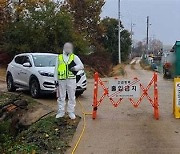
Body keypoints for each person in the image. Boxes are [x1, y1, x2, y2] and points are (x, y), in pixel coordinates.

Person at [54, 42, 84, 119]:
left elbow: (81, 66)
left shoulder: (74, 57)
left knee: (71, 96)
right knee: (61, 96)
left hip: (71, 79)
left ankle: (71, 111)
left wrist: (75, 68)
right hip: (61, 79)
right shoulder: (59, 57)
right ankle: (61, 111)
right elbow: (56, 69)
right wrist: (55, 79)